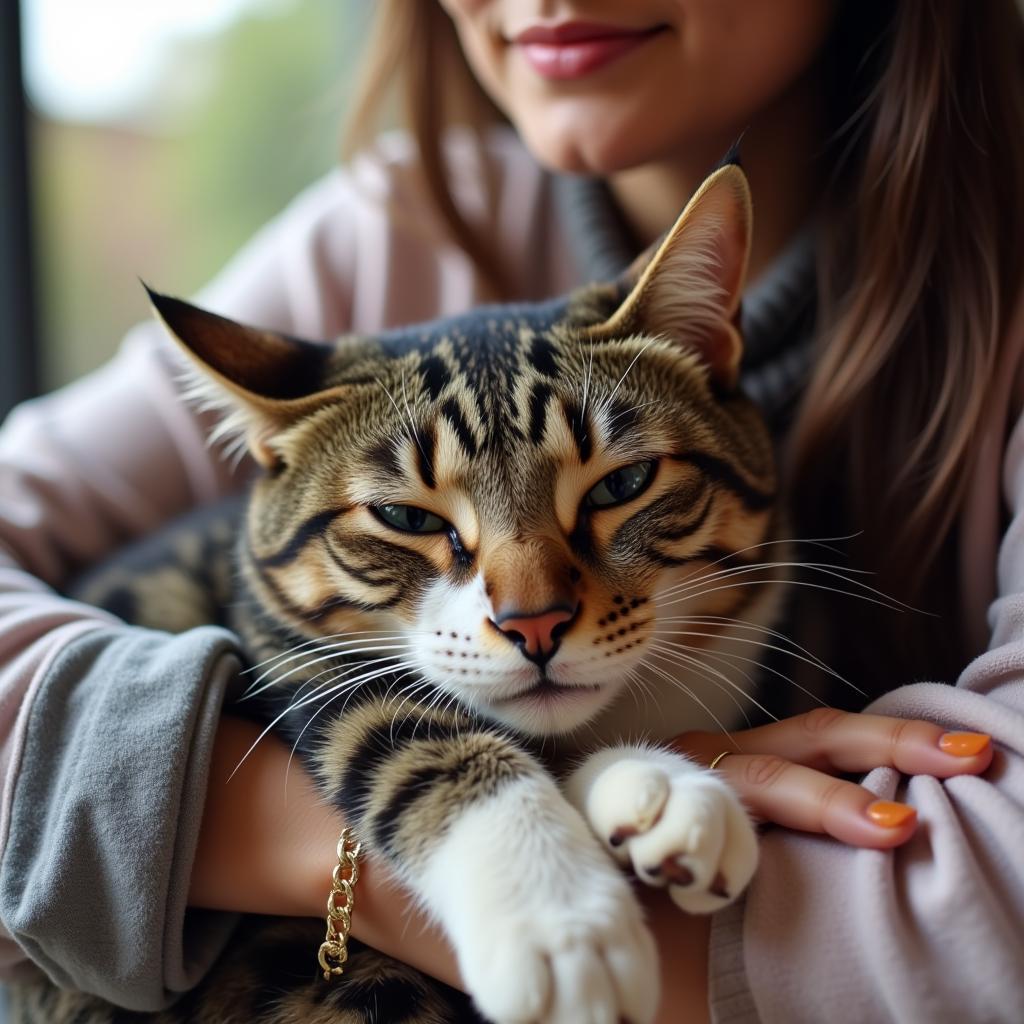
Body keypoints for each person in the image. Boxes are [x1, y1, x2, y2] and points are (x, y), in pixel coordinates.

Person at [1, 1, 1022, 1020]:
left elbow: (986, 928)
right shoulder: (381, 230)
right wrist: (424, 842)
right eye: (410, 519)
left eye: (618, 485)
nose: (529, 612)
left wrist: (168, 842)